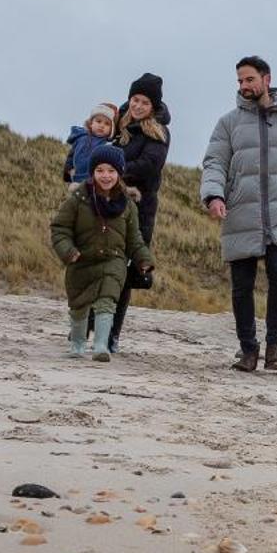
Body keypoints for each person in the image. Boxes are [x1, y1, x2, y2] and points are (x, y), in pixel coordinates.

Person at [199, 55, 277, 372]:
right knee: (242, 286)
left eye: (249, 79)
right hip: (240, 211)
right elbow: (214, 162)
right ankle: (248, 349)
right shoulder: (228, 123)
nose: (244, 86)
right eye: (239, 81)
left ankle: (275, 347)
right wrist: (213, 195)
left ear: (266, 79)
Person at [49, 143, 152, 361]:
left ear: (119, 173)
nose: (106, 176)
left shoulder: (127, 205)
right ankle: (77, 345)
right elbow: (60, 228)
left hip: (113, 261)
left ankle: (101, 346)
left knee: (107, 301)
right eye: (100, 170)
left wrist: (143, 259)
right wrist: (68, 251)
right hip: (81, 260)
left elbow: (134, 239)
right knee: (78, 305)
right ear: (93, 172)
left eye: (111, 171)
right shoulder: (77, 199)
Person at [107, 72, 171, 353]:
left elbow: (149, 165)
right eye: (135, 99)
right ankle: (87, 327)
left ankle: (112, 334)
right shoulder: (116, 124)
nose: (137, 106)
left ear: (153, 106)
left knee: (122, 273)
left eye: (144, 102)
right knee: (98, 266)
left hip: (139, 209)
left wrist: (113, 168)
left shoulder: (157, 132)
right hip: (106, 203)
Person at [62, 103, 118, 185]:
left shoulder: (108, 145)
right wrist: (68, 170)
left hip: (95, 181)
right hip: (76, 177)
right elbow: (71, 156)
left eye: (107, 124)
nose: (102, 125)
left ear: (111, 130)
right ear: (91, 123)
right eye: (98, 121)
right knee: (75, 195)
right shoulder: (80, 138)